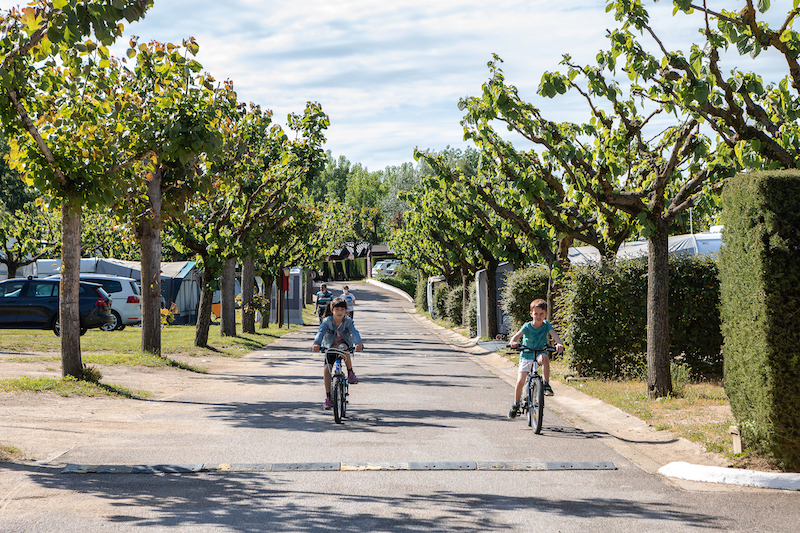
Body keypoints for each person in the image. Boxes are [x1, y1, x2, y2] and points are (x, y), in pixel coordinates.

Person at [507, 298, 564, 419]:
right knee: (520, 382)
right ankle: (516, 404)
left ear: (546, 314)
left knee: (545, 357)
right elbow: (516, 337)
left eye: (541, 314)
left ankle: (546, 384)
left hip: (539, 354)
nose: (538, 316)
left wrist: (559, 344)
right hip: (526, 354)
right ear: (531, 314)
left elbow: (555, 335)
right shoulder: (527, 326)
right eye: (536, 314)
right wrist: (513, 342)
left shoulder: (546, 325)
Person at [312, 297, 364, 410]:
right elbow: (320, 333)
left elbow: (354, 332)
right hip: (330, 346)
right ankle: (328, 397)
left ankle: (350, 371)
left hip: (343, 344)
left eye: (342, 309)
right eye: (337, 309)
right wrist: (316, 343)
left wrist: (358, 343)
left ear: (346, 310)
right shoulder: (327, 321)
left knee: (344, 348)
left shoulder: (348, 321)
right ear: (332, 309)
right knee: (326, 369)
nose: (339, 312)